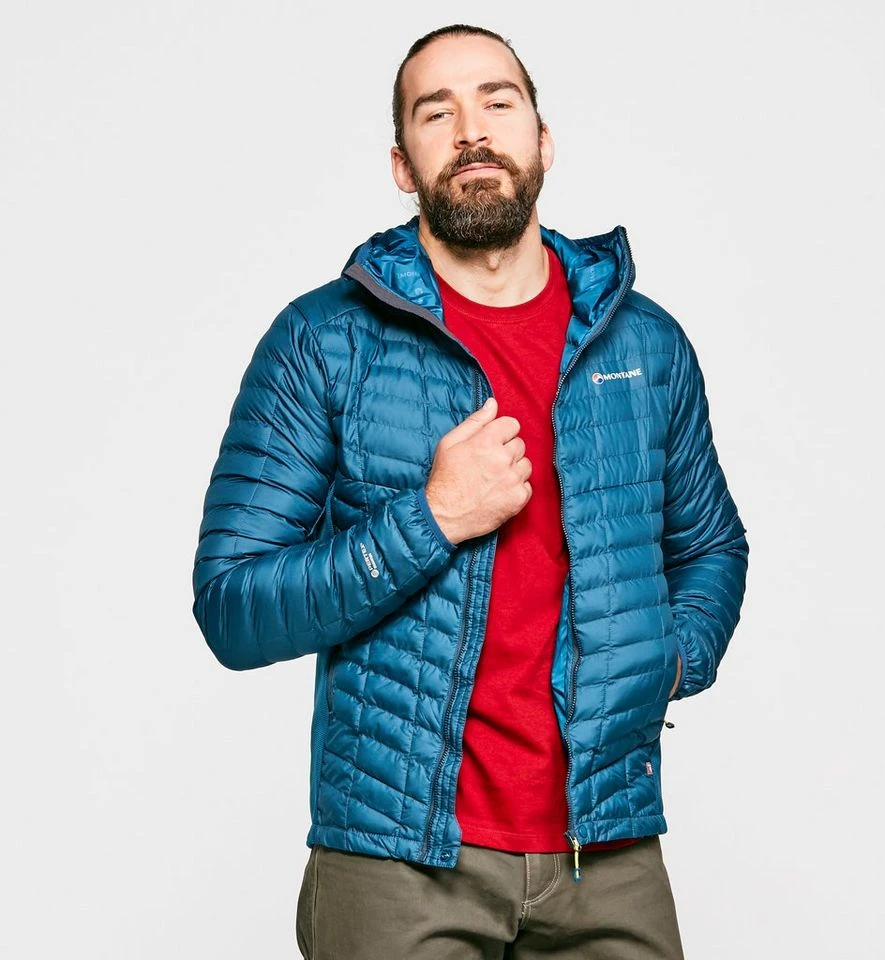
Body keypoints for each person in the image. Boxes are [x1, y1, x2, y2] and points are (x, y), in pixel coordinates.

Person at [191, 22, 749, 960]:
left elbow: (710, 547)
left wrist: (670, 661)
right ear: (402, 165)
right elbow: (233, 605)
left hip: (607, 850)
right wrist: (433, 518)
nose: (472, 130)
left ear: (544, 139)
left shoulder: (644, 343)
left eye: (498, 102)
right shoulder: (325, 340)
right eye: (435, 112)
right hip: (396, 861)